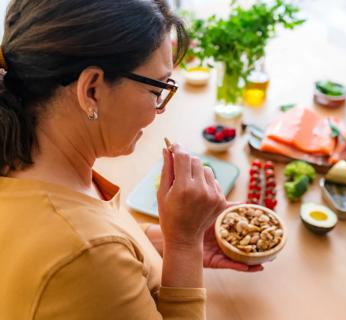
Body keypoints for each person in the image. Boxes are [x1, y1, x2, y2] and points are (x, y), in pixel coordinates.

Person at [0, 0, 261, 319]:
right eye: (158, 91)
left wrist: (163, 238)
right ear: (92, 90)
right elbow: (91, 253)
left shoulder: (31, 159)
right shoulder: (85, 257)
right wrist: (184, 245)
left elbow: (100, 232)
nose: (159, 110)